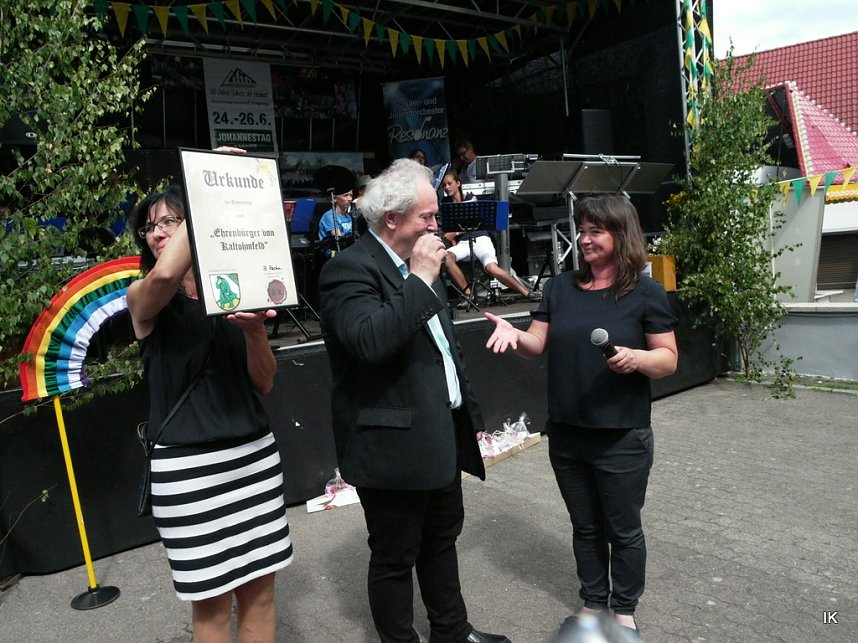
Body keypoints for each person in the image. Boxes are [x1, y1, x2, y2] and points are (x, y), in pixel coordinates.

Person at [318, 158, 510, 643]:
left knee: (442, 541)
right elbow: (370, 342)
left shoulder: (421, 266)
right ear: (392, 219)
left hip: (440, 431)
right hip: (390, 447)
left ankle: (452, 632)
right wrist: (420, 278)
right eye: (426, 216)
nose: (435, 225)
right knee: (395, 556)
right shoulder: (349, 270)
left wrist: (470, 413)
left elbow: (447, 347)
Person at [484, 195, 679, 639]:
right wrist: (515, 335)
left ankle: (623, 612)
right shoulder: (560, 288)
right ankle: (592, 603)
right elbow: (537, 344)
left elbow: (668, 359)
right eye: (582, 230)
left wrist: (636, 358)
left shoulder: (645, 292)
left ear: (621, 235)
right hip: (568, 434)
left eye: (596, 231)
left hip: (621, 435)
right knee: (585, 527)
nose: (585, 239)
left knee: (623, 529)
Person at [127, 170, 294, 641]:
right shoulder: (144, 298)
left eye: (170, 221)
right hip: (189, 472)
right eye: (150, 227)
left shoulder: (236, 289)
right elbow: (165, 274)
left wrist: (255, 332)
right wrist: (208, 186)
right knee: (213, 608)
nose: (158, 233)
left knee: (261, 596)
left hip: (254, 459)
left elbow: (264, 382)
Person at [440, 170, 532, 301]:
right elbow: (450, 232)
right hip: (464, 243)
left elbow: (474, 223)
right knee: (447, 258)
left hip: (480, 238)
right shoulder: (445, 203)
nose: (447, 187)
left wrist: (455, 232)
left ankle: (527, 293)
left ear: (458, 183)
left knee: (491, 268)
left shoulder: (470, 198)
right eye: (444, 185)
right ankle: (469, 295)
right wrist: (453, 241)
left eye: (449, 183)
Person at [317, 187, 355, 256]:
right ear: (335, 198)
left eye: (351, 195)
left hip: (347, 250)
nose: (349, 199)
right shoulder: (329, 216)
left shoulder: (349, 217)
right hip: (332, 253)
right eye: (346, 195)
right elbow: (340, 240)